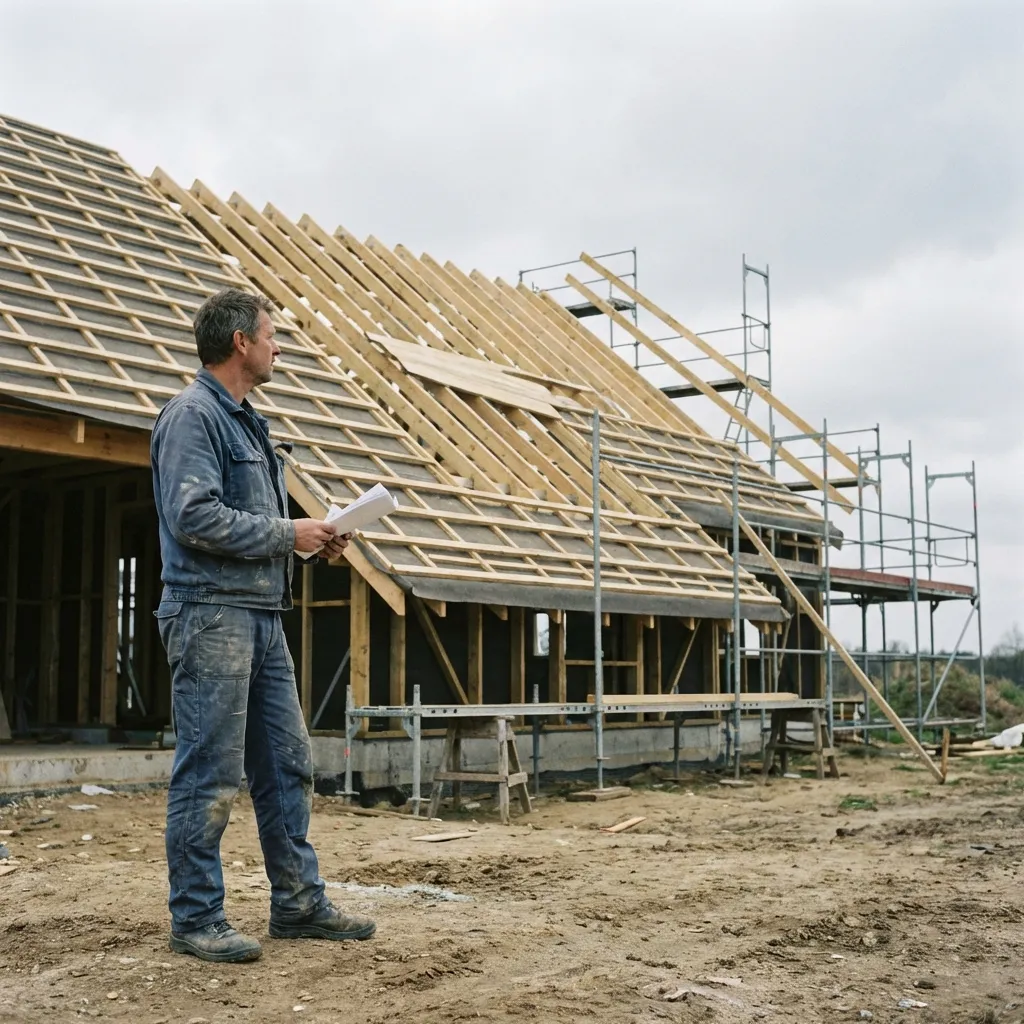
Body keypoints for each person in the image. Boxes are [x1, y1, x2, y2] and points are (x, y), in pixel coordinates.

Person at [151, 287, 376, 963]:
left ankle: (298, 903)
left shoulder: (248, 423)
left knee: (286, 764)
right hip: (210, 614)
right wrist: (287, 532)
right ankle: (196, 917)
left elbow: (251, 523)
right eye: (272, 335)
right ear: (241, 342)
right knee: (211, 773)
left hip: (260, 615)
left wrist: (312, 539)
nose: (279, 347)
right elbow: (193, 517)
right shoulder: (193, 416)